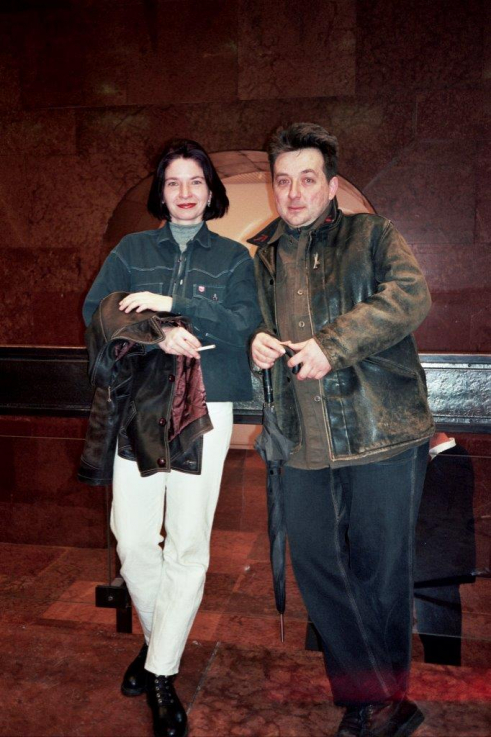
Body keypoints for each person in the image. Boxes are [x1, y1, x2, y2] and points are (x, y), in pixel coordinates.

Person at [250, 123, 434, 737]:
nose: (294, 193)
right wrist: (255, 344)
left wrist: (333, 345)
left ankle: (373, 704)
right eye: (283, 181)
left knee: (381, 572)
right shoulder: (265, 257)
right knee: (318, 568)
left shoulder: (372, 235)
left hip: (382, 431)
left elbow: (410, 296)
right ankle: (380, 698)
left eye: (308, 179)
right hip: (302, 441)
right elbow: (253, 329)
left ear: (331, 187)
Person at [82, 138, 261, 737]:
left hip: (206, 407)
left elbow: (246, 325)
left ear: (211, 192)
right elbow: (97, 311)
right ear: (161, 193)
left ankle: (160, 671)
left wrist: (176, 301)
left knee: (187, 543)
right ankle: (165, 641)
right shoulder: (132, 250)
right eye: (173, 182)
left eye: (195, 182)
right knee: (133, 539)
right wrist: (157, 330)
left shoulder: (235, 259)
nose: (185, 193)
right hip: (140, 405)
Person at [414, 432, 476, 666]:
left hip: (436, 570)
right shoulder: (450, 460)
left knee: (439, 640)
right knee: (437, 637)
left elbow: (430, 515)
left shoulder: (451, 460)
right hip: (437, 568)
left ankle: (444, 681)